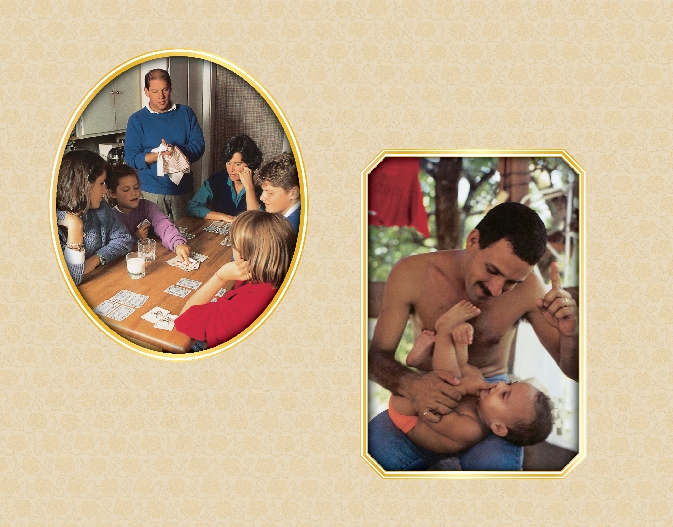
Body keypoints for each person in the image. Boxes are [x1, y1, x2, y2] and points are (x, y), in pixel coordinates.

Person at [368, 202, 578, 471]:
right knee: (370, 457)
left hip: (494, 404)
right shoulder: (411, 273)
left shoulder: (530, 288)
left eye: (511, 282)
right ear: (473, 240)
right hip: (430, 385)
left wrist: (571, 335)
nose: (496, 290)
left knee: (493, 472)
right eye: (492, 271)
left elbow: (573, 370)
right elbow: (377, 356)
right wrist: (411, 385)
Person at [389, 300, 553, 455]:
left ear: (499, 428)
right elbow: (464, 368)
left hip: (408, 414)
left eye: (505, 395)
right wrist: (461, 345)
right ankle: (419, 361)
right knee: (473, 374)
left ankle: (444, 330)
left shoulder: (470, 430)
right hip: (423, 395)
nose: (500, 385)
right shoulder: (485, 402)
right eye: (509, 384)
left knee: (453, 381)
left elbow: (431, 408)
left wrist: (463, 388)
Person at [175, 210, 296, 350]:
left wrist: (220, 276)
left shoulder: (246, 306)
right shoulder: (268, 278)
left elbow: (184, 319)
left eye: (234, 245)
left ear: (246, 255)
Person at [124, 68, 205, 221]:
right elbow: (131, 157)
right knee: (154, 239)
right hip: (150, 191)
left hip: (183, 190)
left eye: (165, 90)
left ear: (170, 88)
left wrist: (176, 151)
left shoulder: (186, 113)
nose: (161, 97)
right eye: (155, 91)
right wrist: (157, 156)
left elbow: (199, 145)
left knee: (186, 235)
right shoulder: (137, 120)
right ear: (146, 91)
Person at [56, 150, 134, 286]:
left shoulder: (100, 207)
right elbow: (71, 279)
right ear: (83, 186)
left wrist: (96, 259)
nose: (105, 190)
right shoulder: (50, 223)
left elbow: (124, 239)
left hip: (99, 282)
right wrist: (75, 228)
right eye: (101, 183)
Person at [105, 164, 190, 262]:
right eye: (126, 190)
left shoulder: (147, 206)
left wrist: (177, 243)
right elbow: (112, 247)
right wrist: (136, 237)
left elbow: (163, 223)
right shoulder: (111, 217)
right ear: (112, 193)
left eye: (136, 187)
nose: (133, 193)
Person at [187, 134, 263, 222]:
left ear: (250, 164)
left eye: (237, 164)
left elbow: (258, 222)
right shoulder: (217, 179)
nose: (231, 169)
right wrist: (224, 217)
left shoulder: (262, 185)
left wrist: (249, 187)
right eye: (228, 162)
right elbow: (192, 207)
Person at [253, 152, 301, 233]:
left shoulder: (290, 230)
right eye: (263, 190)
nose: (262, 197)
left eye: (270, 192)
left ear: (294, 193)